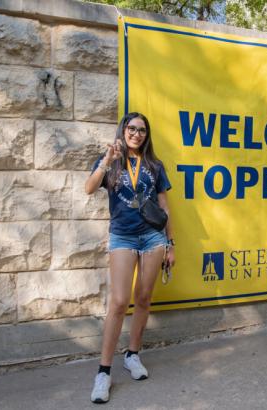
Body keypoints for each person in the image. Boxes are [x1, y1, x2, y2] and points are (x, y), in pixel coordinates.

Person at [85, 112, 175, 404]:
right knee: (120, 301)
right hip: (122, 236)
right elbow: (89, 188)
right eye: (132, 128)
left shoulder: (154, 165)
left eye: (142, 131)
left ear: (146, 136)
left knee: (144, 297)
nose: (137, 134)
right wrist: (106, 161)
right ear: (123, 130)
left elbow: (164, 206)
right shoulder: (110, 159)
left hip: (152, 237)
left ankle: (133, 354)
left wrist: (171, 243)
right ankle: (103, 372)